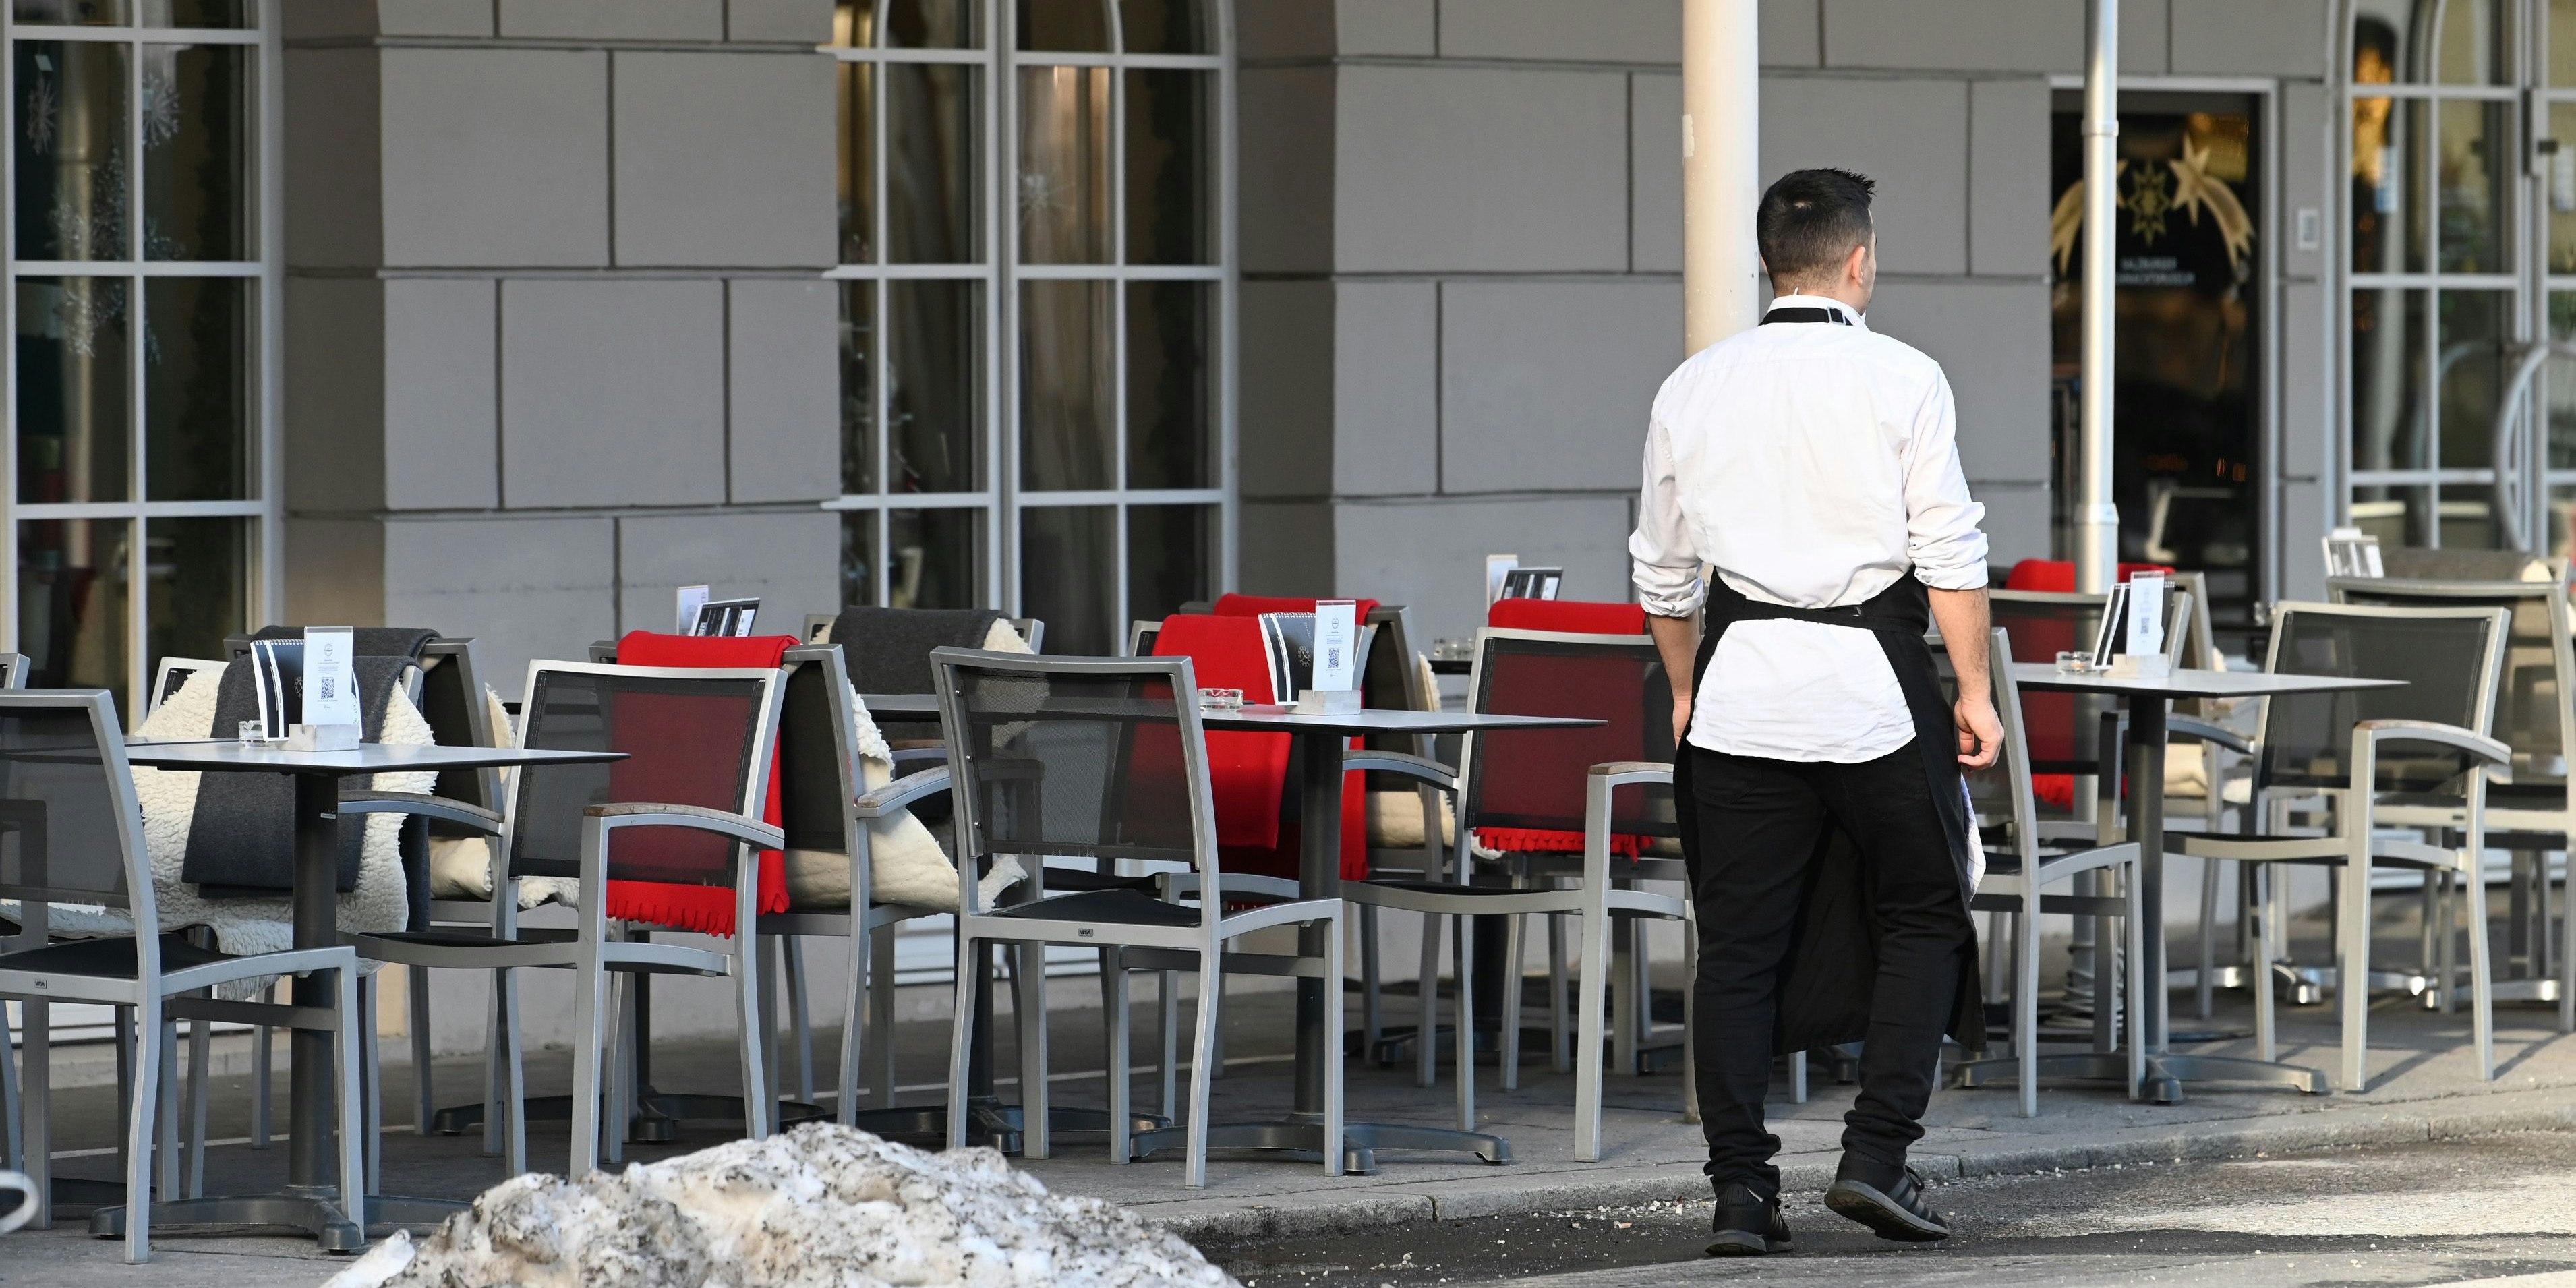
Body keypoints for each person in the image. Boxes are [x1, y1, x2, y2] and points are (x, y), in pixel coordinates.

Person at [1629, 167, 2000, 1256]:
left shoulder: (1693, 385)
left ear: (1767, 265)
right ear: (1859, 261)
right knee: (1925, 912)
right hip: (1875, 688)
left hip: (1739, 690)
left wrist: (1691, 683)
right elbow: (1952, 556)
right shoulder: (1906, 377)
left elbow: (1661, 574)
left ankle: (1742, 1193)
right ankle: (1877, 1155)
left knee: (1736, 948)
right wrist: (1973, 692)